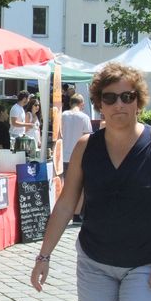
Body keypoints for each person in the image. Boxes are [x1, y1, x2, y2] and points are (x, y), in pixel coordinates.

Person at [31, 62, 151, 301]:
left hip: (145, 261)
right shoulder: (86, 146)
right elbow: (66, 203)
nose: (119, 104)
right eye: (110, 97)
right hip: (95, 261)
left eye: (128, 97)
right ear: (99, 103)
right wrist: (43, 257)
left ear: (139, 102)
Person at [61, 93, 92, 223]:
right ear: (81, 103)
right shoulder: (84, 117)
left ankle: (65, 212)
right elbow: (88, 137)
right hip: (79, 155)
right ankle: (77, 215)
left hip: (63, 154)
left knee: (67, 186)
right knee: (81, 186)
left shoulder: (62, 115)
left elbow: (58, 134)